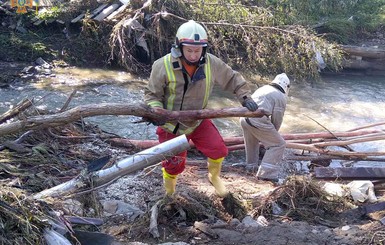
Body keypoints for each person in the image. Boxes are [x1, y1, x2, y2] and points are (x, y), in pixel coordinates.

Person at [144, 20, 258, 197]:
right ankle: (170, 193)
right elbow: (152, 95)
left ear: (204, 49)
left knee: (219, 150)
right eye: (189, 50)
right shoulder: (162, 65)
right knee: (174, 165)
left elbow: (232, 78)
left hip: (198, 121)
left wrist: (245, 97)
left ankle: (214, 177)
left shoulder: (211, 63)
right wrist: (157, 111)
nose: (193, 55)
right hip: (171, 126)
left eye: (197, 50)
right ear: (179, 46)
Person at [239, 73, 290, 182]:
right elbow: (277, 119)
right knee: (279, 144)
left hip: (244, 118)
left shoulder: (264, 88)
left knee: (252, 143)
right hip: (258, 119)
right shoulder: (280, 96)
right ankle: (266, 174)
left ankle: (251, 167)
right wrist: (272, 136)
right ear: (286, 86)